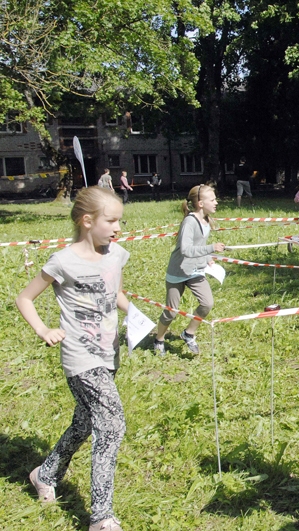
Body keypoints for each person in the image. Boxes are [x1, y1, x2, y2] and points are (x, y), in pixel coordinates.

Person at [16, 187, 130, 531]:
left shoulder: (116, 254)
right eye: (111, 221)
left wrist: (140, 315)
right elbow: (24, 298)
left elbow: (116, 293)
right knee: (111, 424)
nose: (117, 228)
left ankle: (45, 474)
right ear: (87, 221)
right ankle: (101, 517)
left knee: (85, 423)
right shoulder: (63, 261)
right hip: (80, 356)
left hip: (108, 353)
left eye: (120, 221)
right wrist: (43, 330)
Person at [153, 185, 225, 355]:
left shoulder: (206, 220)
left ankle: (188, 333)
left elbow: (198, 245)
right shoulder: (190, 222)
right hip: (178, 271)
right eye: (212, 200)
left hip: (195, 271)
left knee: (207, 303)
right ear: (200, 203)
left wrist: (207, 258)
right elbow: (186, 249)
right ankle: (159, 339)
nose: (216, 202)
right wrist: (211, 248)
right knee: (171, 311)